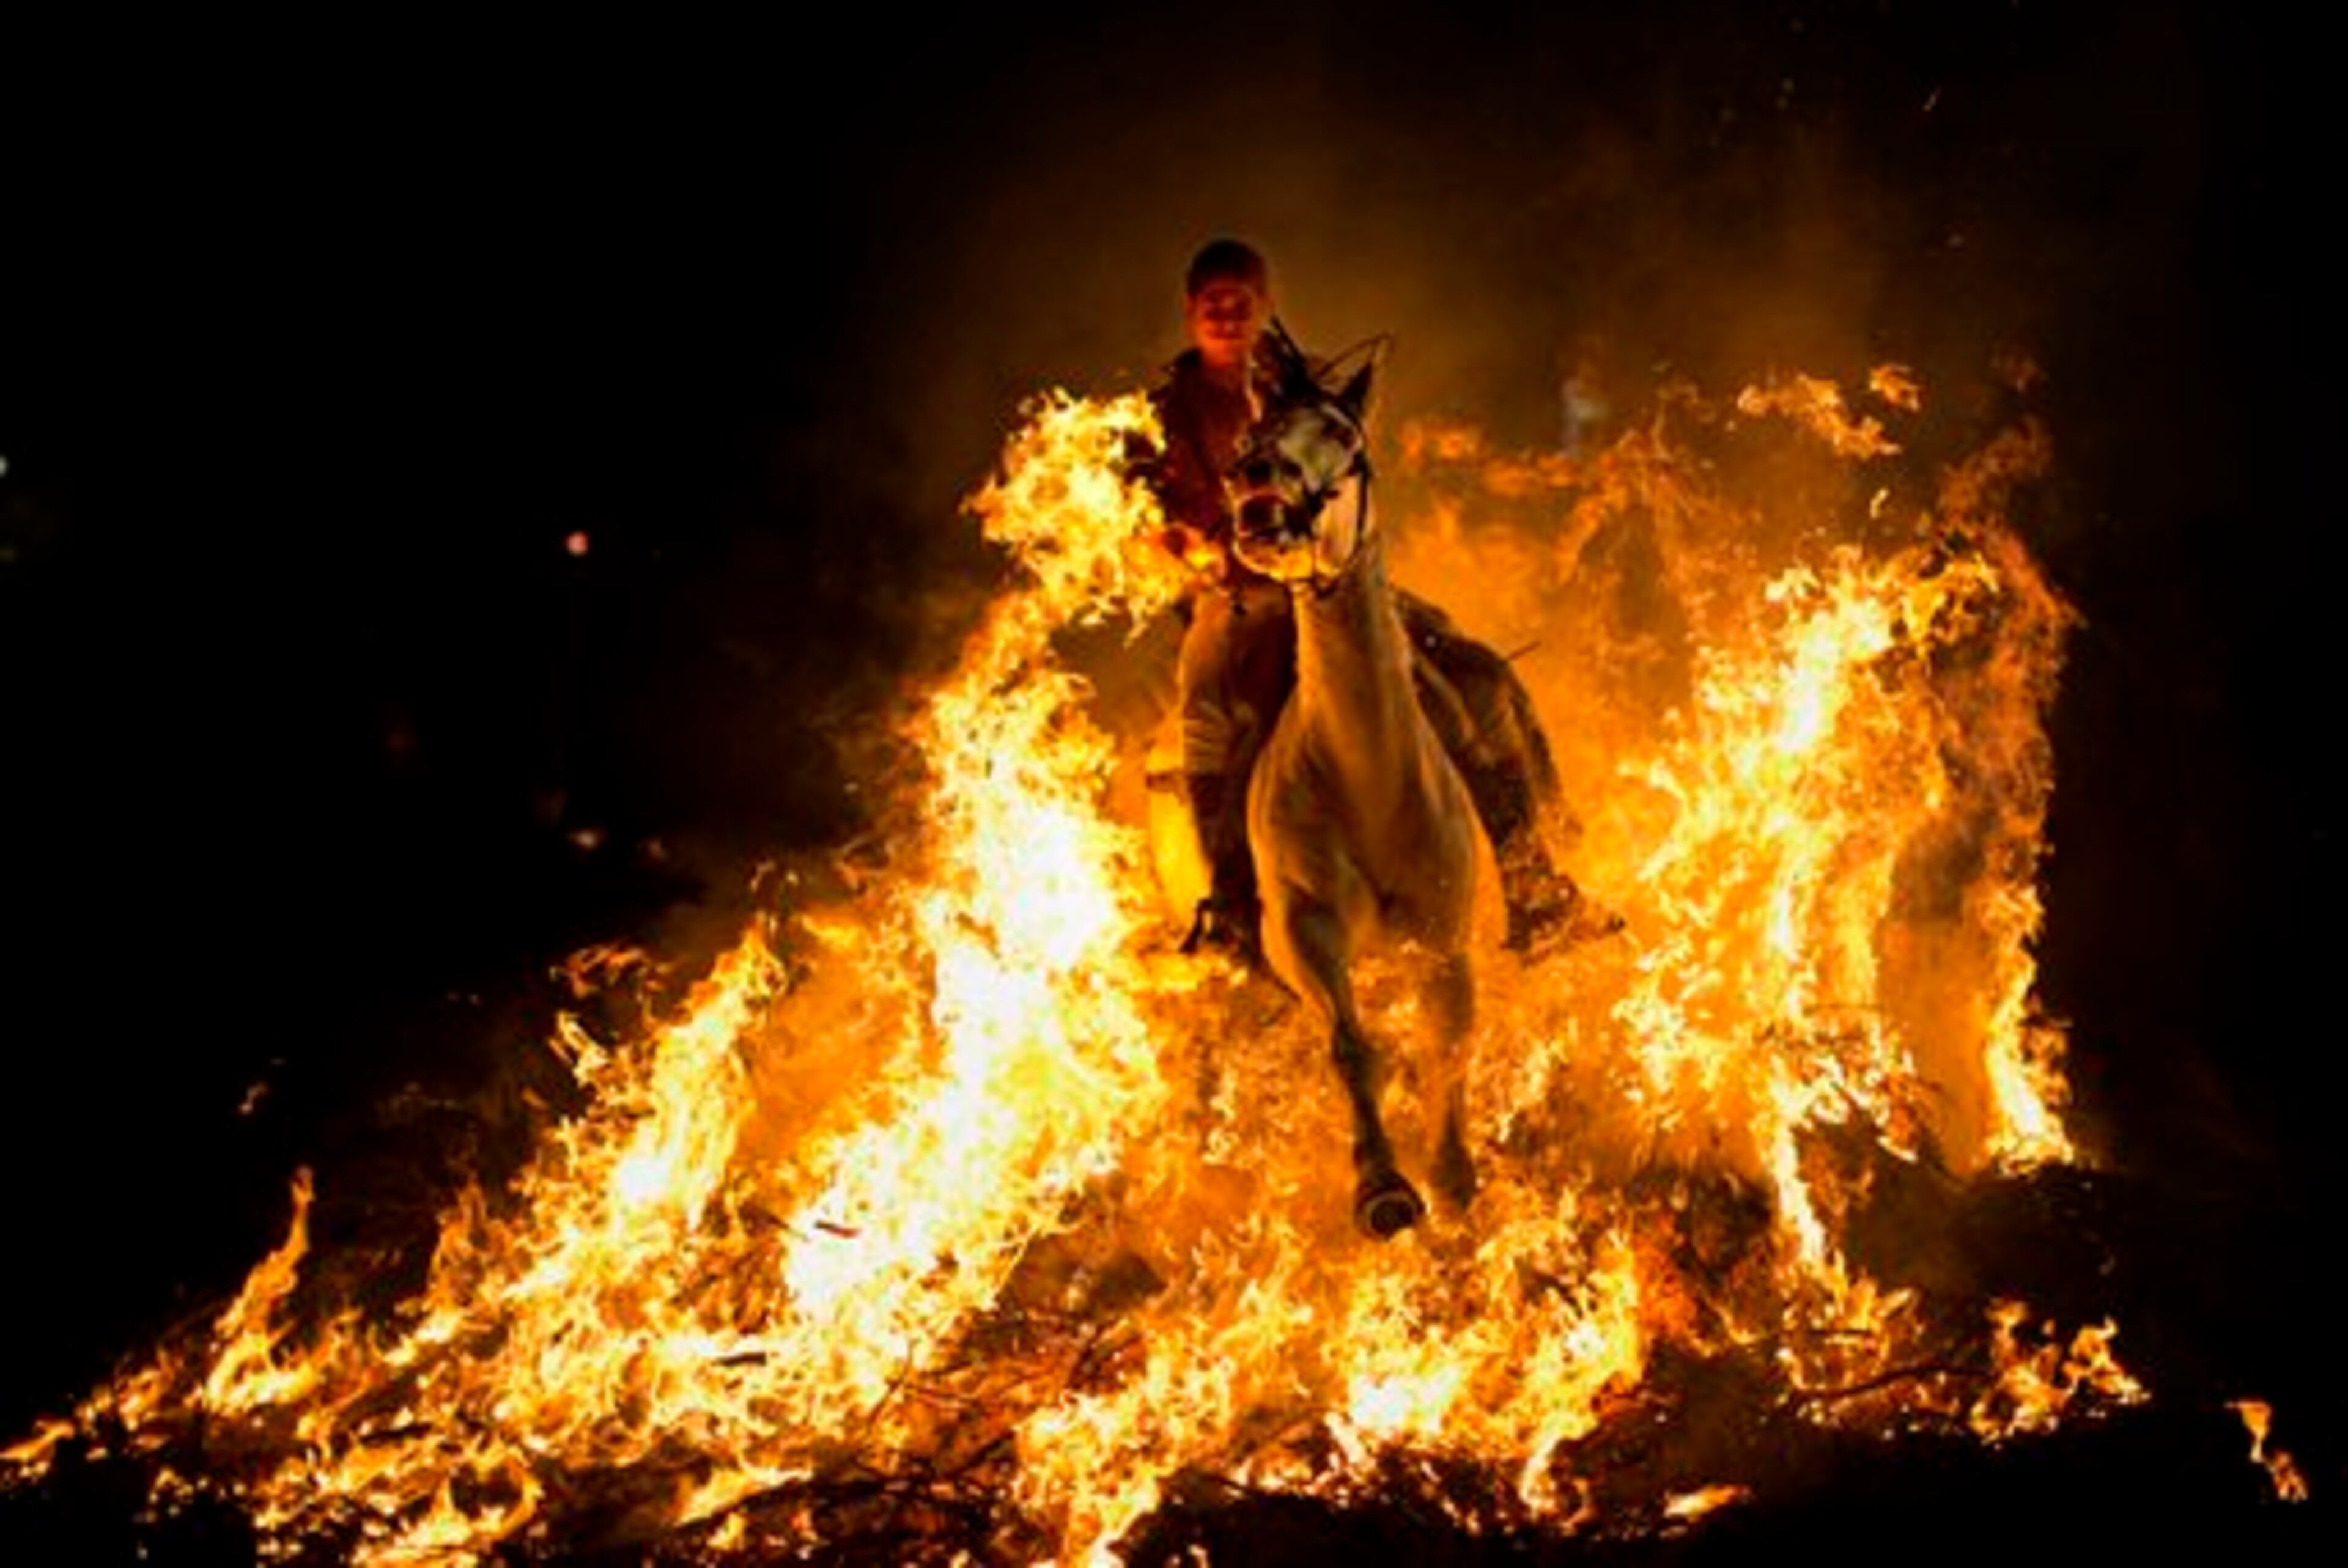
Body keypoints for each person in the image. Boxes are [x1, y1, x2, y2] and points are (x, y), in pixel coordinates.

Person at [1134, 238, 1612, 959]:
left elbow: (1349, 474)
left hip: (1332, 583)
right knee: (1207, 718)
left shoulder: (1312, 390)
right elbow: (1140, 513)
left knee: (1473, 677)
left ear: (1264, 307)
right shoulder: (1163, 409)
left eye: (1241, 304)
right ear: (1191, 312)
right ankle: (1230, 905)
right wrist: (1185, 545)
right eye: (1213, 307)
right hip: (1238, 599)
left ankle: (1533, 883)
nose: (1228, 319)